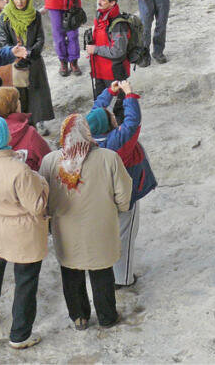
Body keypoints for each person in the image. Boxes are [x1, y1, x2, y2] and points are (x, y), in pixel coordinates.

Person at [39, 113, 131, 330]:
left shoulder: (51, 161)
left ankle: (79, 317)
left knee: (71, 272)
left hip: (65, 229)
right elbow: (124, 195)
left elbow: (43, 195)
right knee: (101, 272)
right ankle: (107, 316)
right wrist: (118, 208)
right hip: (100, 228)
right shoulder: (109, 158)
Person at [0, 117, 49, 350]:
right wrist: (42, 182)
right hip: (23, 233)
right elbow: (36, 205)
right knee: (25, 281)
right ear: (4, 138)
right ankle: (20, 334)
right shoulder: (19, 170)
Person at [87, 80, 157, 288]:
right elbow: (132, 121)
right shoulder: (117, 142)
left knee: (106, 234)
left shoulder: (87, 137)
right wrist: (129, 95)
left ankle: (106, 269)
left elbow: (95, 112)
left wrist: (109, 93)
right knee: (125, 235)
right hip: (125, 195)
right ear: (110, 125)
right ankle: (124, 279)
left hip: (100, 196)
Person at [0, 0, 54, 133]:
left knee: (38, 91)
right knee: (21, 93)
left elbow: (40, 38)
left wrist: (32, 52)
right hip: (16, 60)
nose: (19, 2)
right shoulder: (4, 18)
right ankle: (24, 124)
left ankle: (39, 121)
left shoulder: (35, 15)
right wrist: (17, 52)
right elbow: (2, 40)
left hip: (34, 58)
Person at [85, 0, 130, 122]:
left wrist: (96, 49)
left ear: (112, 3)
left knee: (118, 108)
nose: (99, 2)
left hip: (114, 74)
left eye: (103, 0)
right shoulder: (100, 16)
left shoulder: (118, 25)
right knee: (100, 107)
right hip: (99, 72)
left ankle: (122, 137)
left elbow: (118, 51)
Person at [0, 87, 51, 172]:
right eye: (17, 100)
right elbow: (48, 160)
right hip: (30, 182)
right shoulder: (30, 134)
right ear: (16, 106)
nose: (19, 102)